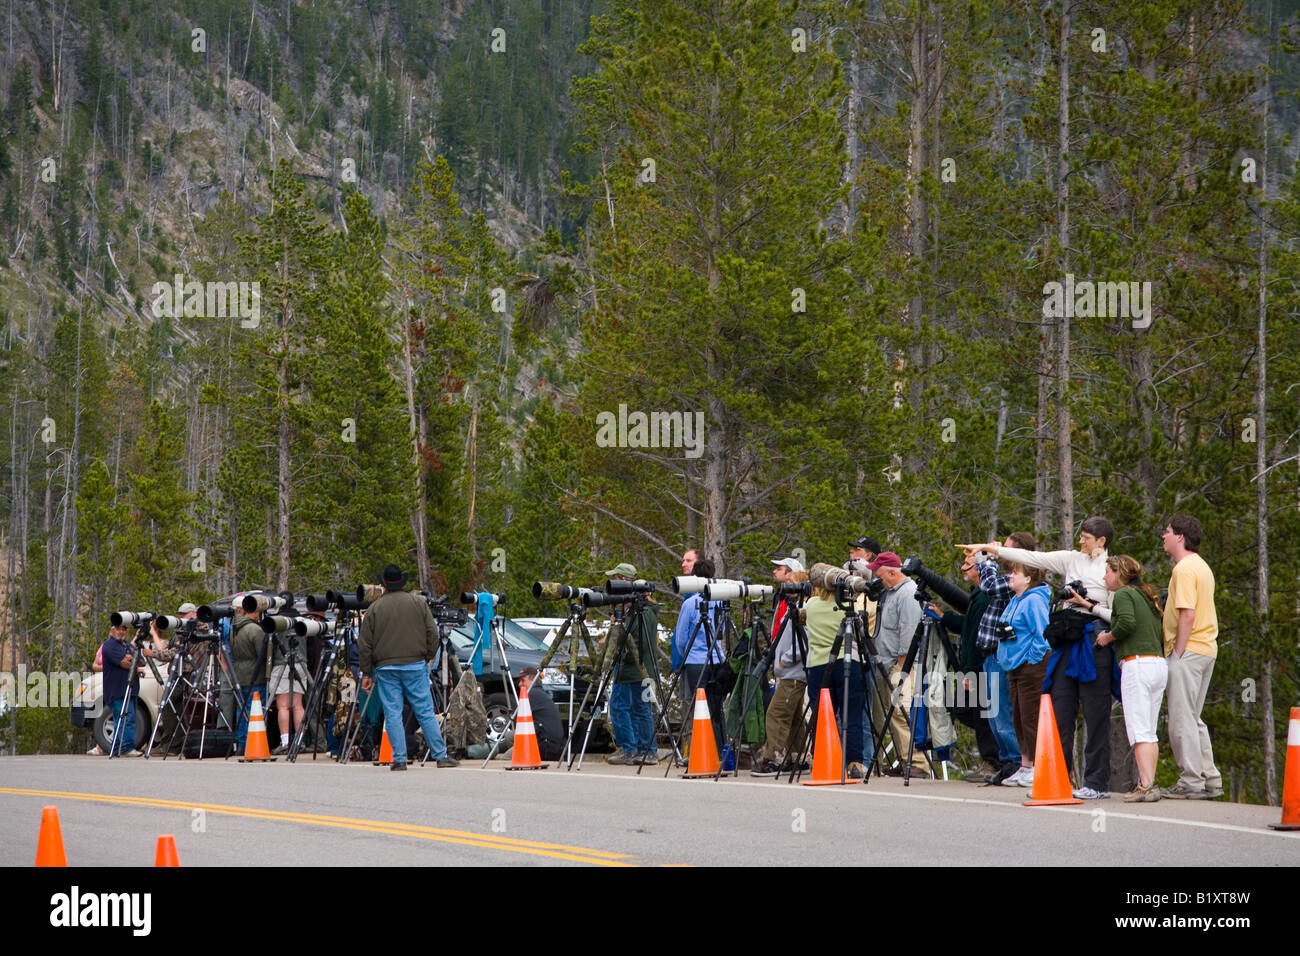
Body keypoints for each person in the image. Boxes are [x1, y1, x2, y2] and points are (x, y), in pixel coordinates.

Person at [963, 516, 1117, 799]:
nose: (1080, 541)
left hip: (1094, 637)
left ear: (1101, 541)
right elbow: (1033, 556)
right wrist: (993, 550)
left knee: (1096, 715)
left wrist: (1088, 605)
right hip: (1066, 638)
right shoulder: (1071, 559)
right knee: (1059, 713)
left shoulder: (1110, 568)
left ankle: (1095, 783)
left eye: (1086, 537)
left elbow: (1117, 612)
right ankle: (1058, 777)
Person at [359, 563, 459, 771]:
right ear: (402, 582)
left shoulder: (374, 608)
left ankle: (399, 759)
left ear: (384, 584)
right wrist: (426, 657)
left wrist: (367, 672)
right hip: (415, 664)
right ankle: (440, 756)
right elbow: (432, 634)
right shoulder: (418, 603)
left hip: (386, 667)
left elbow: (365, 644)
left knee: (393, 712)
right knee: (425, 711)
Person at [962, 532, 1036, 784]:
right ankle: (1007, 761)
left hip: (999, 653)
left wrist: (985, 558)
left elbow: (990, 587)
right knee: (994, 715)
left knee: (1002, 713)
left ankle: (1015, 761)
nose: (1001, 551)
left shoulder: (1020, 579)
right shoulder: (1009, 578)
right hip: (989, 655)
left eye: (1007, 548)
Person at [1093, 556, 1167, 803]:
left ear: (1119, 573)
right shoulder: (1147, 596)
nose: (1105, 577)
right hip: (1158, 663)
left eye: (1107, 572)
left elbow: (1126, 622)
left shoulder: (1124, 594)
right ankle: (1148, 783)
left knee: (1138, 728)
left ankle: (1146, 785)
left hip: (1137, 663)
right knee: (1149, 729)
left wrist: (1108, 637)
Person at [1160, 515, 1222, 800]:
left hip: (1190, 648)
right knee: (1194, 717)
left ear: (1181, 537)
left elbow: (1187, 613)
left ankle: (1190, 780)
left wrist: (1178, 653)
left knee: (1181, 718)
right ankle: (1210, 778)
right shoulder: (1202, 566)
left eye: (1168, 531)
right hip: (1206, 647)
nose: (1164, 535)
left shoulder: (1184, 569)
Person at [932, 556, 1002, 782]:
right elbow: (969, 626)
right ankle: (994, 755)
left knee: (982, 715)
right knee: (963, 709)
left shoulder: (983, 599)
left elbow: (975, 638)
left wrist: (970, 670)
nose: (963, 568)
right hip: (975, 666)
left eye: (968, 565)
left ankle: (993, 762)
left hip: (979, 666)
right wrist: (945, 618)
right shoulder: (977, 596)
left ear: (980, 571)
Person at [987, 560, 1052, 788]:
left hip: (1029, 666)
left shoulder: (1034, 600)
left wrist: (1031, 659)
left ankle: (1037, 766)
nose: (1010, 576)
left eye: (1016, 572)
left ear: (1029, 577)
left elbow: (1042, 634)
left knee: (1030, 717)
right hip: (1013, 666)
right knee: (1018, 718)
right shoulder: (1016, 599)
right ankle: (1025, 765)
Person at [804, 572, 870, 778]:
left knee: (823, 716)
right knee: (852, 715)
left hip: (818, 666)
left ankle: (823, 758)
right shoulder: (849, 609)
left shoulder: (812, 606)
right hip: (847, 661)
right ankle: (855, 762)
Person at [871, 552, 929, 775]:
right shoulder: (890, 592)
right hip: (890, 663)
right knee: (895, 713)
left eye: (880, 575)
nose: (878, 580)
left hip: (903, 664)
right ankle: (904, 758)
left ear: (893, 572)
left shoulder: (906, 594)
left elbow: (908, 630)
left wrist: (902, 667)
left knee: (902, 712)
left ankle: (917, 763)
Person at [752, 561, 809, 776]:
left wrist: (786, 658)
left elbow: (805, 639)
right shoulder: (791, 608)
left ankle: (772, 758)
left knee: (776, 714)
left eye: (793, 584)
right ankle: (799, 757)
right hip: (789, 671)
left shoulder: (804, 610)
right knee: (793, 716)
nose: (789, 588)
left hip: (793, 671)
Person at [602, 561, 661, 765]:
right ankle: (644, 750)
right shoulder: (644, 609)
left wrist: (616, 650)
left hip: (632, 668)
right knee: (641, 708)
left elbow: (634, 641)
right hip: (642, 668)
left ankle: (633, 749)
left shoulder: (640, 612)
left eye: (616, 580)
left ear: (624, 581)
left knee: (622, 707)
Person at [672, 553, 726, 749]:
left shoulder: (689, 604)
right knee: (716, 708)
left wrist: (686, 653)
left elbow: (681, 637)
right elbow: (723, 632)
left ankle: (703, 750)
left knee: (700, 708)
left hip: (695, 661)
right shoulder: (719, 601)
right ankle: (720, 749)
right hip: (716, 660)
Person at [229, 601, 267, 752]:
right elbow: (262, 654)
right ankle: (252, 742)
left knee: (241, 709)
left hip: (238, 673)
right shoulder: (255, 630)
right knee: (255, 710)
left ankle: (241, 742)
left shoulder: (234, 629)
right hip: (254, 674)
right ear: (256, 613)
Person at [101, 623, 143, 757]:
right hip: (117, 689)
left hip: (131, 688)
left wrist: (131, 658)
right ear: (111, 631)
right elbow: (123, 662)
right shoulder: (109, 645)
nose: (121, 632)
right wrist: (131, 660)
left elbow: (141, 660)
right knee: (125, 718)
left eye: (123, 629)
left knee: (129, 718)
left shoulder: (127, 645)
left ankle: (117, 749)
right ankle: (126, 748)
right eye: (118, 629)